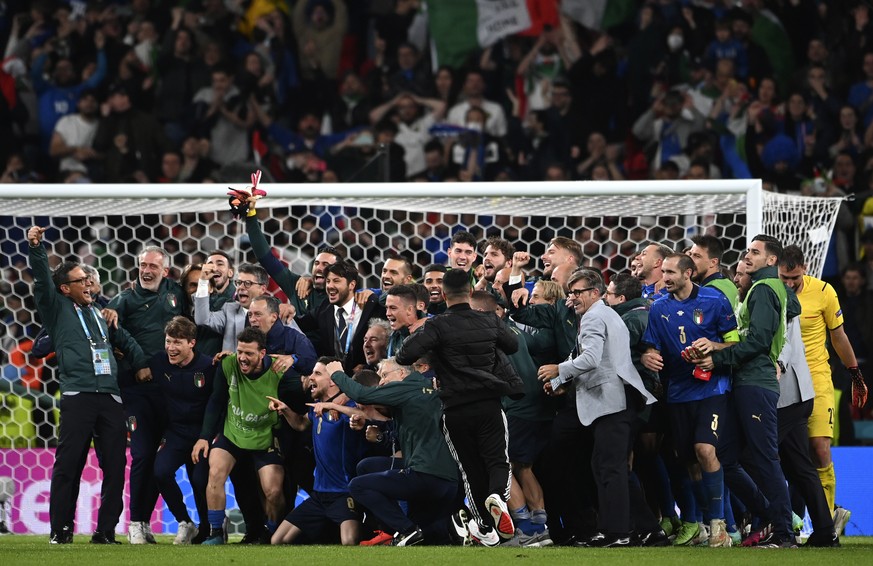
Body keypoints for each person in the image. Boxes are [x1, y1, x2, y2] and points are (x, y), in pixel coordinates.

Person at [27, 226, 149, 545]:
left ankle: (105, 531)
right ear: (65, 288)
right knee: (70, 464)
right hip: (78, 395)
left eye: (88, 279)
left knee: (115, 463)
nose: (88, 283)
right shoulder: (56, 311)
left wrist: (140, 364)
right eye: (81, 280)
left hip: (110, 396)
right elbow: (42, 281)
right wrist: (37, 248)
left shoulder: (99, 314)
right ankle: (61, 529)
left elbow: (121, 341)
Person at [396, 268, 523, 546]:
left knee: (470, 470)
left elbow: (405, 355)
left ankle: (486, 529)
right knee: (497, 461)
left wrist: (430, 342)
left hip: (454, 409)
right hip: (489, 404)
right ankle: (497, 498)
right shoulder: (489, 320)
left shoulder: (437, 326)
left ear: (442, 294)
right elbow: (512, 345)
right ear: (470, 291)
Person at [538, 268, 656, 548]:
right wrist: (564, 380)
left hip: (611, 399)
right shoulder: (605, 314)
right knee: (608, 466)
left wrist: (559, 370)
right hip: (618, 398)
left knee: (609, 467)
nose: (573, 298)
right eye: (571, 293)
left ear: (595, 292)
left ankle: (620, 532)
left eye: (578, 292)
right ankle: (646, 529)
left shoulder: (593, 317)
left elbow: (590, 358)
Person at [697, 235, 796, 548]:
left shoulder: (765, 289)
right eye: (747, 251)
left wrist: (718, 356)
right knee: (726, 455)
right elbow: (791, 307)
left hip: (756, 382)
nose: (748, 256)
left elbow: (757, 342)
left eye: (756, 252)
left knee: (766, 459)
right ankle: (768, 515)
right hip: (746, 382)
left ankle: (784, 534)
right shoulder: (763, 288)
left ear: (771, 261)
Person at [734, 262, 839, 547]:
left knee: (753, 457)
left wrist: (778, 363)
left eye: (742, 273)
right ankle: (824, 531)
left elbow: (787, 341)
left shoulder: (773, 296)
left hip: (787, 393)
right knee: (798, 466)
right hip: (796, 393)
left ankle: (778, 523)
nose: (738, 278)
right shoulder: (767, 297)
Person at [640, 254, 738, 547]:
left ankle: (720, 526)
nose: (664, 277)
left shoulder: (715, 300)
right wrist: (648, 357)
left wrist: (714, 350)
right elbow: (649, 347)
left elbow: (734, 343)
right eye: (664, 272)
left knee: (705, 450)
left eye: (670, 272)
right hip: (677, 392)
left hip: (712, 389)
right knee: (691, 463)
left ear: (688, 273)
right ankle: (707, 524)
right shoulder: (658, 309)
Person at [777, 245, 867, 534]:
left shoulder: (824, 291)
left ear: (804, 268)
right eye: (784, 278)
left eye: (793, 277)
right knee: (786, 455)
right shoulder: (770, 292)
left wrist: (855, 374)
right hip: (779, 382)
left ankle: (826, 523)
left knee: (819, 449)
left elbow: (838, 336)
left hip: (816, 379)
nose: (789, 283)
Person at [328, 357, 461, 546]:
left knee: (358, 486)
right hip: (448, 480)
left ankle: (405, 531)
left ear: (401, 373)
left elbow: (362, 394)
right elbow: (401, 426)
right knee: (367, 466)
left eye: (384, 375)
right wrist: (374, 431)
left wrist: (336, 373)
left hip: (426, 475)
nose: (381, 382)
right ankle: (448, 526)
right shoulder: (422, 391)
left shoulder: (407, 387)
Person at [105, 245, 185, 545]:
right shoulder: (124, 299)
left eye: (153, 266)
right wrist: (135, 362)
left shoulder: (175, 294)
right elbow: (108, 328)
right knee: (140, 454)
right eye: (143, 265)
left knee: (157, 459)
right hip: (136, 390)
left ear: (164, 271)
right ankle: (136, 522)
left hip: (169, 390)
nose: (147, 271)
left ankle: (148, 523)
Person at [192, 327, 288, 545]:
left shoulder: (279, 371)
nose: (242, 358)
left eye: (249, 354)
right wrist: (205, 437)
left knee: (273, 491)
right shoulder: (228, 364)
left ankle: (270, 532)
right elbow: (216, 400)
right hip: (233, 434)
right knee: (215, 472)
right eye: (240, 352)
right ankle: (216, 532)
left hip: (264, 437)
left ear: (262, 354)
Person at [269, 357, 368, 545]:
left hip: (344, 494)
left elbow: (363, 416)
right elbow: (300, 423)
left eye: (317, 373)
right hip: (319, 495)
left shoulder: (348, 407)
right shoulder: (316, 409)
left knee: (350, 542)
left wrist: (334, 406)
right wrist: (285, 409)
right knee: (277, 540)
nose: (310, 377)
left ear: (332, 381)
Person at [150, 316, 215, 545]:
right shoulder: (158, 362)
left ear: (192, 343)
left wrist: (207, 436)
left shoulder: (209, 366)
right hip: (176, 432)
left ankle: (210, 528)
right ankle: (185, 522)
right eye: (168, 341)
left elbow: (216, 404)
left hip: (202, 435)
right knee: (160, 471)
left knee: (199, 481)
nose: (171, 348)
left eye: (177, 342)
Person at [297, 261, 386, 374]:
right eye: (328, 281)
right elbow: (299, 324)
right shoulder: (325, 308)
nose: (330, 286)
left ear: (351, 285)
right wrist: (283, 308)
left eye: (336, 281)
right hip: (332, 378)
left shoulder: (370, 307)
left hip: (365, 378)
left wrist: (367, 367)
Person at [194, 263, 269, 352]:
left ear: (262, 289)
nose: (240, 287)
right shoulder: (229, 309)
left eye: (247, 283)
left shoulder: (275, 312)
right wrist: (203, 282)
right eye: (238, 283)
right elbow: (202, 320)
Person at [195, 251, 236, 356]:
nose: (214, 268)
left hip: (224, 364)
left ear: (230, 273)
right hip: (197, 362)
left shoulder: (239, 299)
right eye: (210, 264)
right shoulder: (199, 296)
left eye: (220, 264)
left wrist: (279, 304)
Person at [688, 235, 738, 309]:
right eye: (690, 254)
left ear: (713, 262)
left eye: (697, 256)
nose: (690, 260)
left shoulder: (709, 293)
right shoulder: (728, 284)